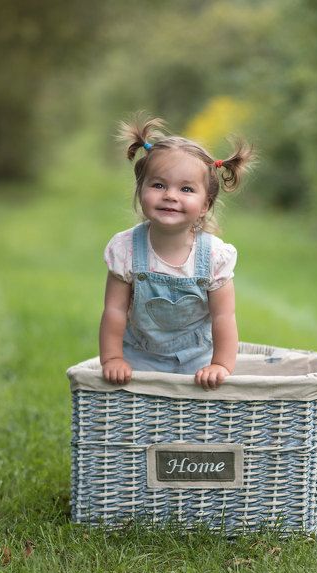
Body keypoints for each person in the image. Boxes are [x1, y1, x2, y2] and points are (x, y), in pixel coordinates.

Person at [99, 114, 255, 390]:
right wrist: (113, 358)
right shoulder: (126, 250)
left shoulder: (214, 257)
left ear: (205, 205)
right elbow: (114, 310)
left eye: (186, 189)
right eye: (158, 185)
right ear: (141, 190)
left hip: (198, 361)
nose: (170, 195)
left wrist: (219, 365)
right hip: (139, 359)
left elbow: (224, 317)